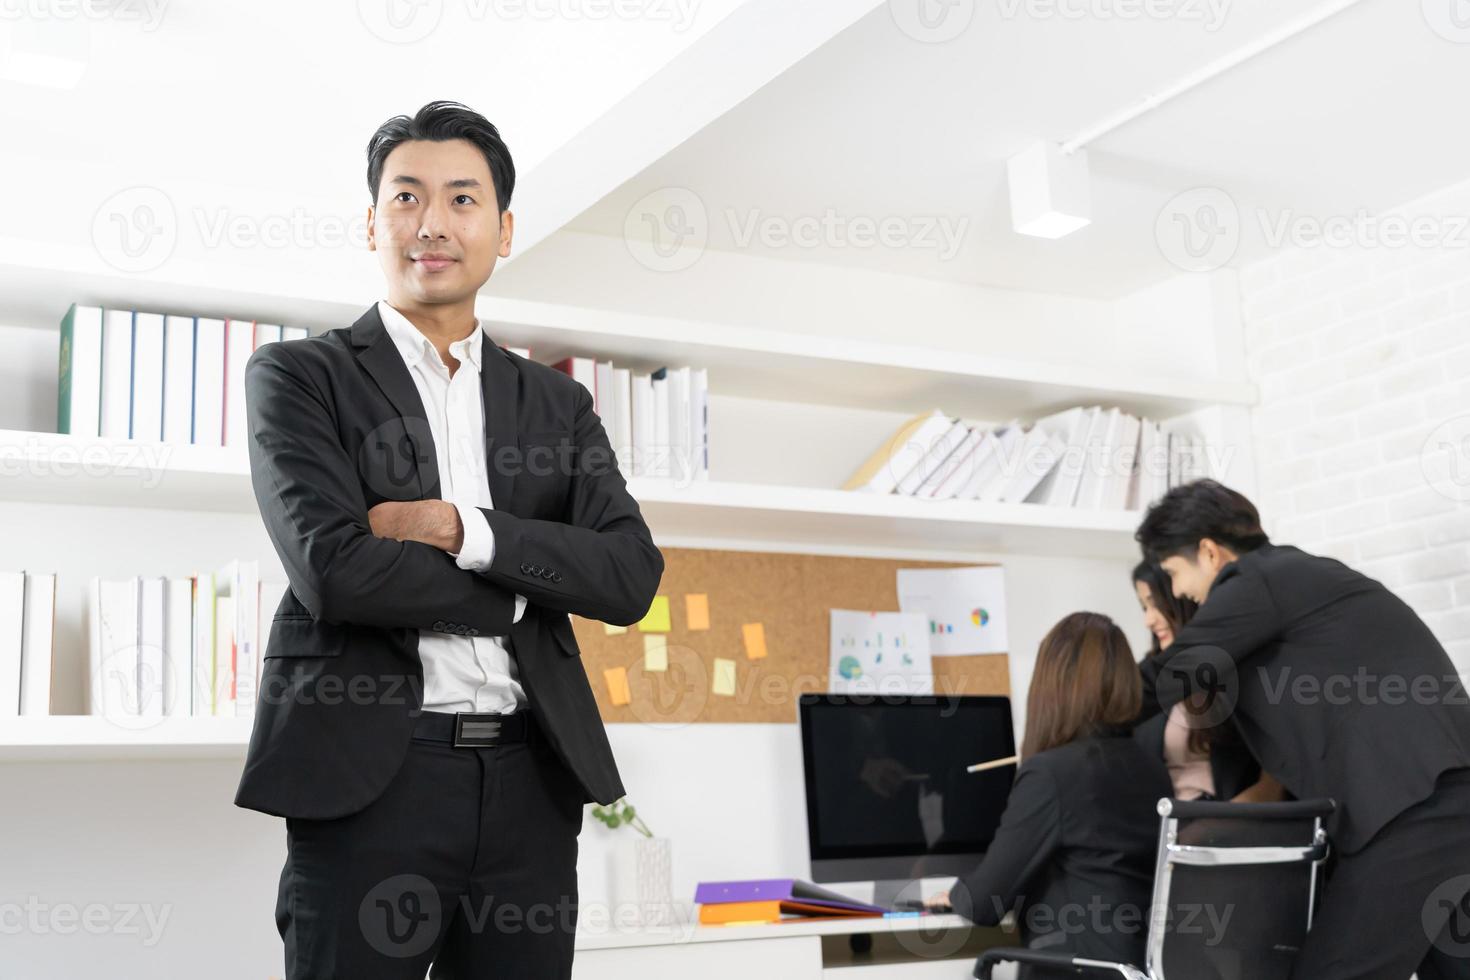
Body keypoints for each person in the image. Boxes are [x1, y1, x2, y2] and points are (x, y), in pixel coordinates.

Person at [234, 102, 665, 978]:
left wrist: (455, 527)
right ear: (372, 223)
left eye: (462, 199)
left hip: (530, 789)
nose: (432, 222)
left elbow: (627, 577)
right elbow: (337, 573)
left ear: (503, 231)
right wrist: (526, 584)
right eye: (406, 197)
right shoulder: (299, 378)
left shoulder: (556, 405)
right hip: (371, 787)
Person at [1136, 479, 1470, 979]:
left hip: (1415, 808)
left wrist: (1090, 698)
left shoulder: (1255, 581)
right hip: (1442, 800)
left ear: (1208, 551)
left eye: (1173, 573)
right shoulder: (1300, 578)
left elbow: (1171, 675)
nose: (1179, 591)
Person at [926, 612, 1171, 978]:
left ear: (1051, 684)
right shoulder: (1153, 768)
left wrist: (956, 894)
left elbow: (986, 902)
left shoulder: (1052, 774)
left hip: (1077, 969)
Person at [1131, 561, 1281, 803]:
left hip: (1226, 822)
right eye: (1144, 607)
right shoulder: (1144, 682)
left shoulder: (1235, 673)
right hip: (1159, 826)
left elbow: (1273, 782)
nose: (1149, 620)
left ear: (1181, 598)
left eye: (1155, 603)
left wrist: (1222, 825)